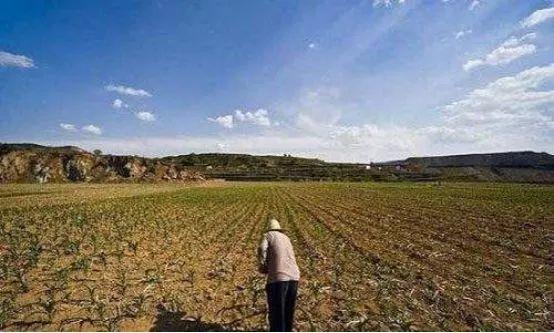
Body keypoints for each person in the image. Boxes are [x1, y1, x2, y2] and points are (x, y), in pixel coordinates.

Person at [258, 219, 300, 332]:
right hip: (294, 276)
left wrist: (262, 265)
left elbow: (262, 248)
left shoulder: (268, 235)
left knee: (277, 312)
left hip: (278, 278)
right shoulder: (286, 238)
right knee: (288, 311)